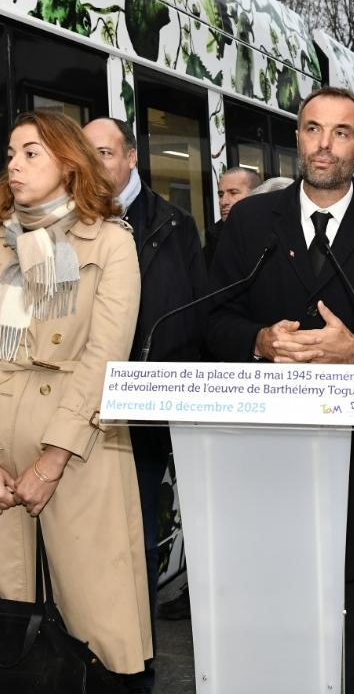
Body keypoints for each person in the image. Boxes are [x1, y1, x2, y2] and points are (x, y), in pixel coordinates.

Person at [0, 110, 151, 679]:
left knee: (91, 632)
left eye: (31, 153)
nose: (13, 164)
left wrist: (52, 459)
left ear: (69, 164)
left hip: (78, 454)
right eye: (12, 153)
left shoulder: (112, 243)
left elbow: (104, 357)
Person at [205, 86, 354, 694]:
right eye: (311, 129)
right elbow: (210, 321)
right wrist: (259, 341)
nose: (323, 145)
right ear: (297, 137)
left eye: (341, 132)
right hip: (264, 463)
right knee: (271, 630)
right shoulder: (251, 221)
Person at [84, 115, 209, 655]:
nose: (96, 165)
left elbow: (193, 312)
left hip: (149, 410)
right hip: (85, 407)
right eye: (86, 154)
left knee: (134, 536)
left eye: (106, 154)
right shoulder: (69, 221)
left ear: (131, 158)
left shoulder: (173, 226)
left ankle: (138, 661)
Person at [205, 166, 261, 264]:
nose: (223, 202)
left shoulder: (273, 237)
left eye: (233, 193)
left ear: (255, 194)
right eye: (221, 195)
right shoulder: (213, 240)